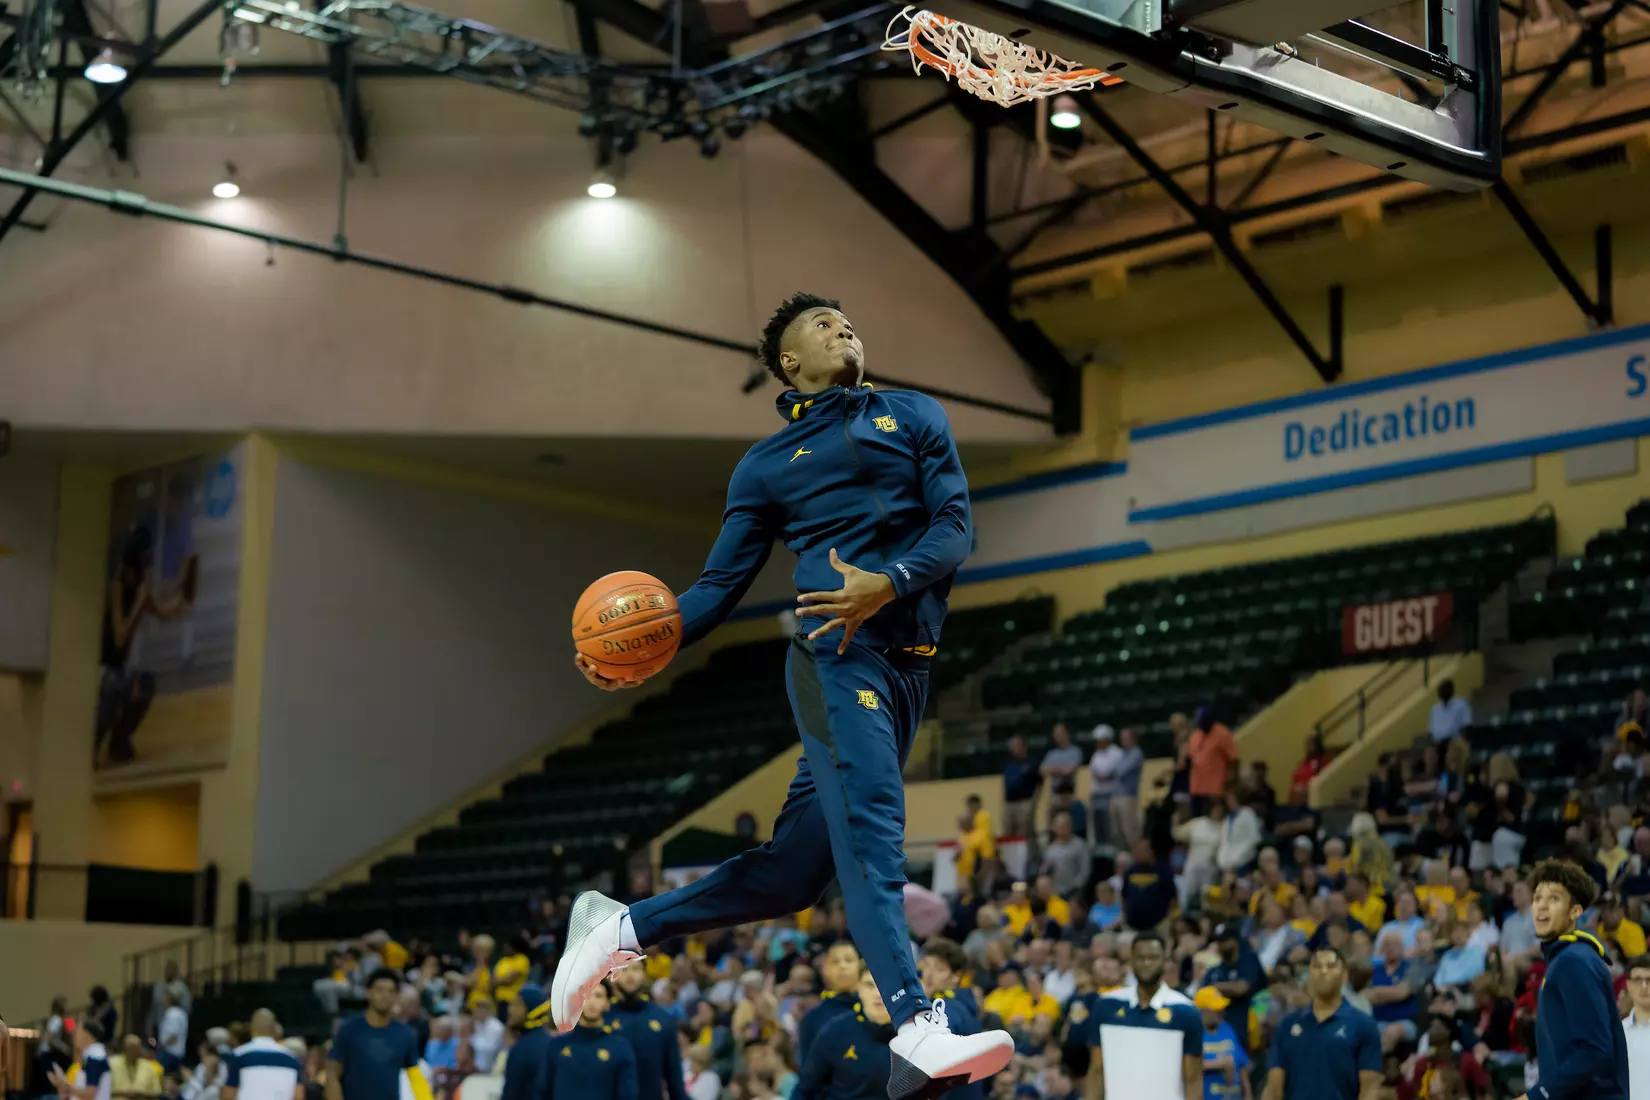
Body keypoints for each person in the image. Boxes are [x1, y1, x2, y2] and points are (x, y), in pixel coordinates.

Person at [556, 294, 1013, 1099]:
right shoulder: (765, 466)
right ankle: (916, 1025)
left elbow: (954, 529)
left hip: (908, 667)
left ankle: (621, 926)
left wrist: (889, 581)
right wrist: (643, 647)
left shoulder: (915, 413)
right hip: (835, 655)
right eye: (822, 324)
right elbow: (717, 586)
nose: (844, 326)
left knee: (794, 874)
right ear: (789, 363)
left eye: (848, 318)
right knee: (872, 832)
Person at [1519, 859, 1629, 1100]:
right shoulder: (1567, 958)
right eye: (1537, 898)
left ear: (1575, 912)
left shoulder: (1573, 961)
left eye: (1554, 898)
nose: (1542, 906)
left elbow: (1595, 1050)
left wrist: (1538, 1095)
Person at [97, 524, 198, 764]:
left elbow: (163, 613)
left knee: (145, 684)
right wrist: (139, 604)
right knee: (115, 684)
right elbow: (120, 638)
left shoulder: (140, 589)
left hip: (117, 670)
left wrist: (184, 593)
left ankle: (119, 743)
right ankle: (93, 744)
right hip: (101, 671)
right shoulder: (117, 587)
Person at [1078, 933, 1201, 1100]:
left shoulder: (1185, 1011)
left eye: (1153, 957)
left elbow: (1193, 1079)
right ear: (1131, 962)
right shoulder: (1106, 1006)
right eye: (1140, 958)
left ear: (1165, 961)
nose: (1146, 963)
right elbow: (1096, 1070)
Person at [1262, 948, 1380, 1100]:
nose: (1323, 971)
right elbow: (1273, 1089)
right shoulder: (1287, 1025)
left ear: (1344, 975)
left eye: (1331, 966)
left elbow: (1369, 1089)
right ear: (1310, 974)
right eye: (1317, 966)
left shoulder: (1364, 1025)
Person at [327, 968, 424, 1100]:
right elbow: (333, 1074)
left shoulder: (406, 1034)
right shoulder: (349, 1030)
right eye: (380, 990)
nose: (385, 996)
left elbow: (416, 1078)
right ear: (368, 992)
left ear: (396, 996)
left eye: (391, 991)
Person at [606, 960, 686, 1100]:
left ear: (644, 974)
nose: (630, 975)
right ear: (613, 976)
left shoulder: (663, 1020)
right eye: (623, 969)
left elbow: (675, 1082)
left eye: (635, 969)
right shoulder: (602, 1020)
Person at [545, 983, 636, 1100]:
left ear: (607, 1004)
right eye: (586, 996)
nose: (591, 1002)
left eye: (598, 996)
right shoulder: (557, 1046)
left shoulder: (620, 1049)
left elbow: (628, 1095)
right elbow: (543, 1091)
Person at [799, 943, 864, 1065]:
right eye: (835, 962)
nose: (843, 966)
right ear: (825, 971)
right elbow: (808, 1070)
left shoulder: (878, 1009)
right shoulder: (812, 1019)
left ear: (860, 966)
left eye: (849, 960)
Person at [1206, 924, 1267, 1047]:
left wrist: (1216, 988)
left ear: (1234, 941)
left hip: (1247, 1023)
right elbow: (1202, 994)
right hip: (1223, 1026)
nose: (1220, 946)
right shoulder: (1216, 970)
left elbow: (1241, 988)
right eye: (1218, 942)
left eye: (1224, 941)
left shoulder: (1249, 960)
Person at [223, 1009, 303, 1100]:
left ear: (252, 1027)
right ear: (274, 1028)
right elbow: (299, 1096)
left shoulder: (239, 1056)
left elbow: (228, 1095)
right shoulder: (291, 1059)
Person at [1194, 987, 1250, 1100]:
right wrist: (1218, 1064)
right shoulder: (1194, 1033)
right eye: (1216, 1009)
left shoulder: (1227, 1028)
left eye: (1221, 1008)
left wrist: (1248, 1095)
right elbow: (1187, 1066)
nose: (1221, 1012)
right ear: (1202, 1011)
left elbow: (1242, 1065)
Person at [499, 986, 552, 1100]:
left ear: (532, 1010)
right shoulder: (552, 1045)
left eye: (517, 1005)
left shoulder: (520, 1051)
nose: (510, 1010)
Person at [1188, 711, 1238, 815]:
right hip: (1196, 788)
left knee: (1216, 818)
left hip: (1216, 789)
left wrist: (1230, 780)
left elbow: (1233, 759)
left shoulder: (1222, 733)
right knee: (1198, 819)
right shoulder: (1195, 735)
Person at [51, 1020, 113, 1100]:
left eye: (77, 1032)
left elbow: (89, 1094)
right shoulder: (91, 1057)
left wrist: (66, 1086)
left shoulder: (95, 1058)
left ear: (86, 1035)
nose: (74, 1036)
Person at [1002, 735, 1042, 849]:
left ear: (1023, 746)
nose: (1013, 748)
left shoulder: (1031, 763)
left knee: (1025, 830)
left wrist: (1034, 801)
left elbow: (1039, 784)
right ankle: (1011, 854)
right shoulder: (1008, 764)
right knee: (1008, 830)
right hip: (1009, 803)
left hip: (1025, 801)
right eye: (1012, 746)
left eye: (1016, 745)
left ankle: (1030, 853)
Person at [1621, 956, 1650, 1100]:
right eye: (1638, 980)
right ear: (1629, 985)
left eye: (1649, 980)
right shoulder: (1619, 1032)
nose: (1644, 986)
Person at [109, 1035, 163, 1099]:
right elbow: (103, 1090)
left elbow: (157, 1092)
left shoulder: (149, 1067)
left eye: (136, 1049)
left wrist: (141, 1094)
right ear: (124, 1048)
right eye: (131, 1049)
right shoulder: (112, 1064)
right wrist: (124, 1093)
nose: (134, 1052)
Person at [1429, 681, 1472, 745]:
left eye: (1445, 691)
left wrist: (1463, 743)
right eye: (1441, 691)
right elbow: (1432, 732)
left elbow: (1467, 726)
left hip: (1455, 742)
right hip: (1438, 744)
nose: (1442, 693)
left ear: (1451, 692)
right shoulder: (1435, 709)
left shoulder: (1460, 704)